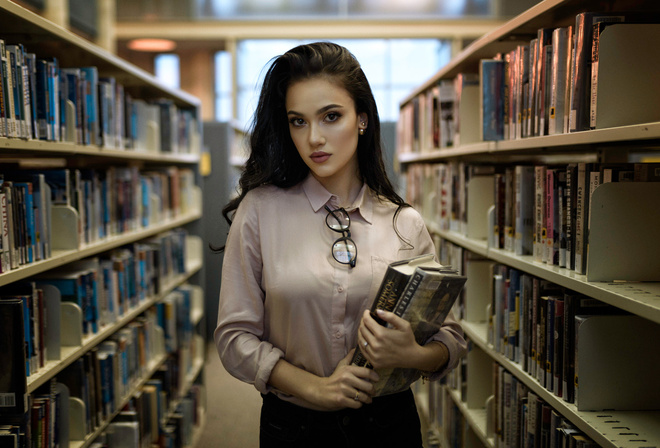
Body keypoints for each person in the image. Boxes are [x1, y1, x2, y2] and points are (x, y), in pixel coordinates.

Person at [214, 41, 467, 447]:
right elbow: (233, 337)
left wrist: (413, 355)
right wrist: (315, 388)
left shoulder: (405, 223)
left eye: (331, 116)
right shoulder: (260, 211)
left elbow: (449, 339)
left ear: (362, 119)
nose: (314, 138)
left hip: (390, 426)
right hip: (294, 426)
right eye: (298, 121)